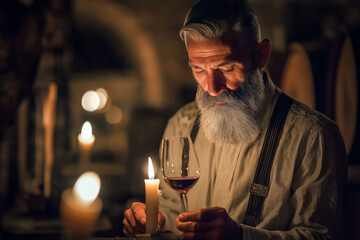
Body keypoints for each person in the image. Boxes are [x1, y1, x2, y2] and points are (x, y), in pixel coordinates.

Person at [123, 0, 347, 239]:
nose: (211, 88)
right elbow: (172, 209)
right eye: (198, 70)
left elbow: (320, 235)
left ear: (261, 55)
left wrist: (241, 236)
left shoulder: (314, 137)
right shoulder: (182, 124)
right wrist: (157, 219)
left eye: (226, 68)